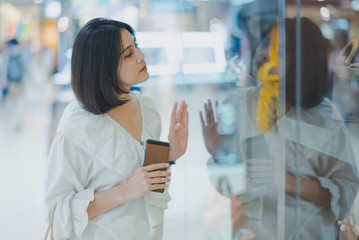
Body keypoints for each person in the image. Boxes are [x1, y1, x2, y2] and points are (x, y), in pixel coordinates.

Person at [200, 17, 359, 239]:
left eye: (279, 51)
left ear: (301, 62)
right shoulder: (238, 104)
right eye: (266, 42)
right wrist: (219, 157)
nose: (264, 52)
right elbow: (227, 190)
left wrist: (290, 182)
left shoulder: (323, 116)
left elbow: (346, 193)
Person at [44, 18, 189, 240]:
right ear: (104, 67)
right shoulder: (76, 126)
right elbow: (57, 211)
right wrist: (124, 192)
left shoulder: (146, 108)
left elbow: (147, 183)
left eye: (136, 46)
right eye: (128, 54)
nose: (141, 56)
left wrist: (170, 155)